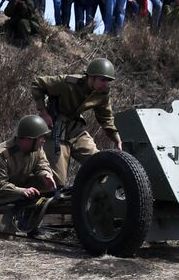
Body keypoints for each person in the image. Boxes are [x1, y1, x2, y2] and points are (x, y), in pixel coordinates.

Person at [31, 57, 122, 187]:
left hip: (75, 128)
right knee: (56, 181)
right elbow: (37, 83)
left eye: (108, 81)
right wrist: (43, 113)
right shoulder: (68, 83)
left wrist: (116, 139)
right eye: (103, 80)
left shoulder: (102, 93)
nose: (106, 84)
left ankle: (93, 197)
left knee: (99, 163)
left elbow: (105, 118)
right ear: (91, 77)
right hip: (56, 127)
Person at [0, 115, 56, 234]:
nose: (43, 140)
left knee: (43, 181)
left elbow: (42, 165)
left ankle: (29, 221)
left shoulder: (37, 148)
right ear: (28, 139)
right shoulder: (0, 154)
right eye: (41, 137)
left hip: (19, 192)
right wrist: (22, 191)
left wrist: (45, 174)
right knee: (5, 234)